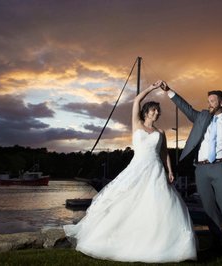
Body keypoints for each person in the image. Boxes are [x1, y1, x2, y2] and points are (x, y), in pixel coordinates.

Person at [63, 81, 197, 263]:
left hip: (156, 169)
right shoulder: (137, 124)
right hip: (137, 167)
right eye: (153, 110)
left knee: (159, 202)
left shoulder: (160, 132)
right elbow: (136, 100)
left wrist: (170, 170)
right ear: (146, 111)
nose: (156, 113)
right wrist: (152, 88)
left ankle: (160, 241)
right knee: (126, 199)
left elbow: (165, 153)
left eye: (158, 111)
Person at [160, 81, 222, 260]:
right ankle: (217, 245)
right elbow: (185, 107)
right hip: (201, 169)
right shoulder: (201, 117)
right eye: (208, 100)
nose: (209, 103)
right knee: (210, 210)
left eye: (212, 100)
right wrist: (168, 91)